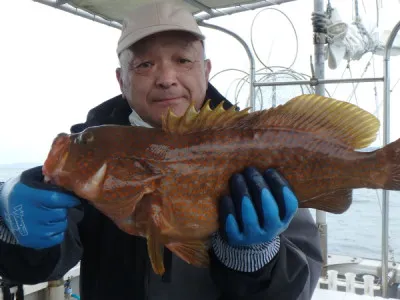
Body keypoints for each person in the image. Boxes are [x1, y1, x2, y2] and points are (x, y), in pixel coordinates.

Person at [0, 1, 323, 299]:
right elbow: (36, 267)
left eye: (183, 60)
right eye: (144, 65)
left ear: (206, 70)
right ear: (121, 79)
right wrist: (8, 221)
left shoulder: (256, 145)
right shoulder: (91, 154)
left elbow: (294, 290)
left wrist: (256, 255)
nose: (167, 78)